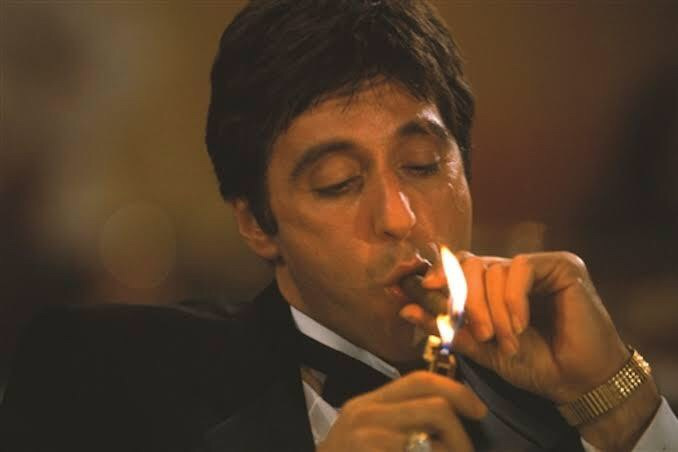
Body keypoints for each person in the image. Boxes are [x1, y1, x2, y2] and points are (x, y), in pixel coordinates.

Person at [1, 1, 677, 451]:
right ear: (257, 224)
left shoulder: (562, 401)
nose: (399, 217)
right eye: (338, 183)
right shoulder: (103, 371)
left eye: (422, 165)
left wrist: (622, 404)